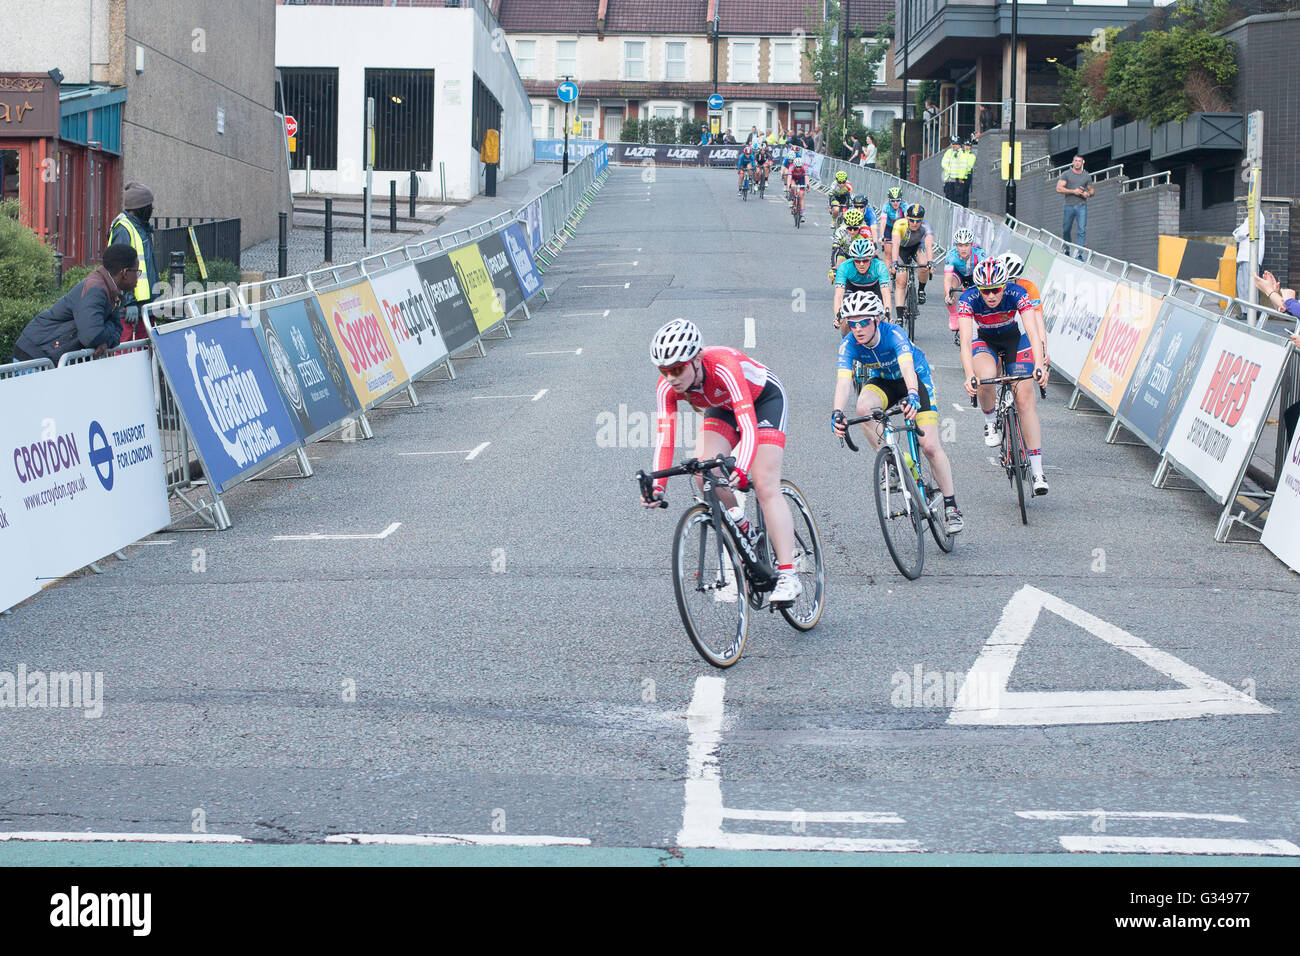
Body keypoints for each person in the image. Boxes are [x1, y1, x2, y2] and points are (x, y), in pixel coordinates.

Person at [642, 319, 803, 605]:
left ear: (697, 360)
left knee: (764, 483)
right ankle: (743, 528)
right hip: (723, 407)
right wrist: (657, 486)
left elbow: (749, 425)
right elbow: (664, 436)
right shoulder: (667, 387)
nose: (671, 378)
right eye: (664, 371)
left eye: (677, 369)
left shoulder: (723, 366)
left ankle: (789, 575)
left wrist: (741, 468)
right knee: (703, 471)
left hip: (763, 400)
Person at [830, 291, 964, 534]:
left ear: (876, 320)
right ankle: (895, 461)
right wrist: (837, 412)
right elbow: (843, 382)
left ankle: (951, 505)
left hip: (914, 379)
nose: (857, 329)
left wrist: (913, 394)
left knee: (930, 446)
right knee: (863, 408)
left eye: (863, 322)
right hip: (884, 382)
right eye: (852, 323)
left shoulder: (894, 334)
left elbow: (907, 367)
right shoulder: (848, 344)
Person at [957, 259, 1050, 495]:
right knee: (986, 377)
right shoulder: (968, 299)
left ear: (1004, 285)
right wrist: (969, 376)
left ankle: (1038, 471)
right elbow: (966, 342)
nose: (990, 296)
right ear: (978, 289)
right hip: (984, 340)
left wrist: (1039, 365)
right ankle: (990, 423)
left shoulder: (1017, 293)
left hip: (1014, 340)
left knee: (1025, 399)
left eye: (995, 289)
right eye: (985, 290)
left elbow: (1032, 330)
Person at [11, 243, 136, 364]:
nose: (138, 277)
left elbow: (117, 330)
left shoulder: (113, 291)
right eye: (137, 271)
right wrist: (106, 335)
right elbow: (92, 335)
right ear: (124, 273)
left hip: (48, 354)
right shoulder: (96, 290)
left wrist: (105, 340)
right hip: (35, 355)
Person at [107, 181, 160, 342]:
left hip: (144, 306)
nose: (151, 209)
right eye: (149, 205)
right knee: (126, 350)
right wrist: (128, 302)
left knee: (145, 348)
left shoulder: (140, 228)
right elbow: (119, 268)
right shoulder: (124, 229)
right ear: (140, 208)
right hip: (129, 307)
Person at [1000, 252, 1049, 370]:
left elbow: (1038, 321)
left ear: (1018, 279)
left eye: (1011, 281)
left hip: (1018, 329)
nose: (1007, 286)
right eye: (1004, 282)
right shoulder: (992, 290)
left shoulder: (1029, 288)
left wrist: (1044, 350)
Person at [833, 237, 893, 332]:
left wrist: (888, 314)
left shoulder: (880, 266)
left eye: (865, 260)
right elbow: (838, 296)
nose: (861, 264)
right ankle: (848, 343)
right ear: (852, 259)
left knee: (882, 321)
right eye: (857, 260)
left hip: (874, 288)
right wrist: (838, 317)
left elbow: (886, 294)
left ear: (871, 258)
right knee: (845, 319)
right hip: (852, 288)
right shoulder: (844, 267)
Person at [888, 203, 935, 315]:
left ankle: (921, 290)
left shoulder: (926, 226)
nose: (914, 223)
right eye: (912, 220)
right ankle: (899, 316)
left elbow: (928, 246)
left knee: (924, 265)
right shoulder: (899, 224)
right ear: (907, 218)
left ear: (922, 220)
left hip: (917, 247)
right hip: (902, 249)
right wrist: (894, 262)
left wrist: (931, 262)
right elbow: (895, 245)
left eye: (918, 221)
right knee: (901, 281)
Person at [943, 227, 986, 343]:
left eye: (966, 245)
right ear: (956, 246)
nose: (963, 249)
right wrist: (948, 295)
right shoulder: (951, 255)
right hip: (959, 274)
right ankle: (953, 314)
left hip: (974, 274)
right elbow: (947, 278)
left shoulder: (980, 254)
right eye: (960, 245)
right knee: (949, 288)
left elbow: (985, 275)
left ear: (971, 245)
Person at [1057, 154, 1094, 259]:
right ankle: (1067, 250)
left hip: (1081, 206)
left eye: (1079, 161)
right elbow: (1059, 188)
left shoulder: (1086, 176)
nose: (1077, 163)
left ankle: (1079, 254)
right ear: (1073, 162)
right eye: (1076, 161)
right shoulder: (1066, 174)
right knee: (1066, 230)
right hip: (1069, 205)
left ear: (1082, 163)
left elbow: (1092, 190)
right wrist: (1074, 191)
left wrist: (1087, 194)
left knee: (1081, 230)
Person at [1233, 208, 1266, 301]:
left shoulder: (1256, 216)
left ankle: (1252, 312)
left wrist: (1237, 233)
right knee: (1241, 284)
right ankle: (1245, 311)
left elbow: (1240, 233)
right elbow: (1240, 233)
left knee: (1249, 286)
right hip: (1245, 256)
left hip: (1250, 256)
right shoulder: (1252, 216)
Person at [940, 137, 962, 203]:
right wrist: (950, 170)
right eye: (953, 144)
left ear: (959, 145)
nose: (954, 145)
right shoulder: (948, 152)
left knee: (958, 197)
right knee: (949, 197)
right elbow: (944, 163)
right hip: (949, 179)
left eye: (956, 144)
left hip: (959, 178)